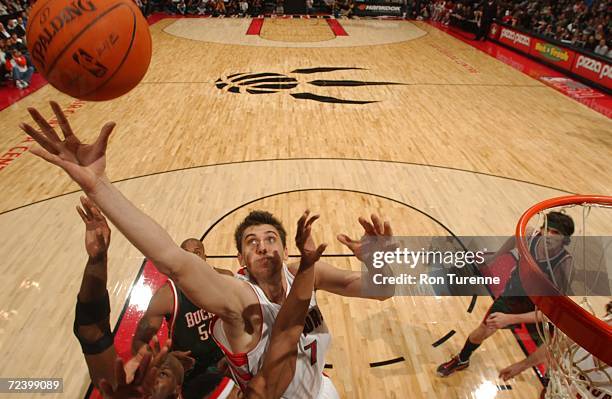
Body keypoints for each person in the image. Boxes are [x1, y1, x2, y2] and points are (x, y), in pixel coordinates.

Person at [21, 102, 395, 399]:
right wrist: (99, 186)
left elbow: (381, 291)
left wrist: (381, 260)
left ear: (285, 248)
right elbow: (172, 259)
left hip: (319, 390)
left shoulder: (303, 275)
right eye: (251, 242)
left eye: (270, 238)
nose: (263, 246)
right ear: (240, 262)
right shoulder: (236, 297)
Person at [76, 200, 327, 399]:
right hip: (200, 374)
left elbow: (91, 331)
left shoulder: (227, 281)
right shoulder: (168, 296)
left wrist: (97, 260)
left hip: (225, 367)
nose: (148, 383)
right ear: (177, 391)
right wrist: (157, 359)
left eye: (198, 253)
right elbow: (286, 334)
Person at [73, 196, 189, 399]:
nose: (147, 378)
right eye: (141, 371)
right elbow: (91, 330)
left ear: (177, 391)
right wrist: (97, 259)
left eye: (161, 373)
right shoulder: (122, 391)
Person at [437, 212, 574, 377]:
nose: (549, 235)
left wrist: (511, 319)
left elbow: (550, 313)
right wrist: (495, 257)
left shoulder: (564, 264)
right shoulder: (530, 234)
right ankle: (462, 359)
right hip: (513, 295)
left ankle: (553, 379)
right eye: (547, 229)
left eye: (556, 233)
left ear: (565, 239)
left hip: (538, 306)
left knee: (554, 345)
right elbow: (513, 240)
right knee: (483, 329)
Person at [132, 239, 237, 399]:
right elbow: (139, 341)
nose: (192, 258)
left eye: (196, 252)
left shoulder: (225, 278)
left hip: (225, 359)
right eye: (186, 254)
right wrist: (166, 358)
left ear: (204, 256)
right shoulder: (166, 296)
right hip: (189, 369)